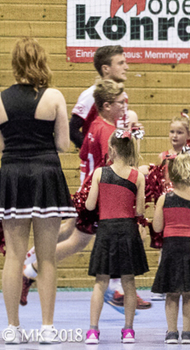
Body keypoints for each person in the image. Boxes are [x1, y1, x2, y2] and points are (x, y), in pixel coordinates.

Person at [23, 45, 146, 311]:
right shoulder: (93, 96)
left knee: (74, 230)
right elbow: (73, 129)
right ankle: (32, 268)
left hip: (104, 168)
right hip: (98, 175)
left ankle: (30, 261)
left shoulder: (118, 98)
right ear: (106, 69)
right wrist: (94, 152)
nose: (126, 67)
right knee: (86, 236)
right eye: (121, 62)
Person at [0, 38, 76, 344]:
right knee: (47, 257)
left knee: (13, 255)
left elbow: (1, 146)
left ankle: (12, 328)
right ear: (41, 61)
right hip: (45, 175)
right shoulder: (53, 96)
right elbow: (63, 145)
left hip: (12, 175)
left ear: (15, 63)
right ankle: (47, 327)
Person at [84, 126, 148, 344]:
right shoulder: (138, 176)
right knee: (129, 282)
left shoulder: (100, 173)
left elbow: (90, 204)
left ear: (111, 149)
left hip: (107, 230)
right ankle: (128, 331)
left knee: (100, 282)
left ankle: (93, 330)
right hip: (128, 231)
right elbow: (139, 211)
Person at [151, 154, 190, 344]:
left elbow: (157, 227)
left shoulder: (164, 199)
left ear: (171, 176)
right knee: (189, 291)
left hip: (171, 248)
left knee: (171, 292)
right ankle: (187, 332)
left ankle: (171, 332)